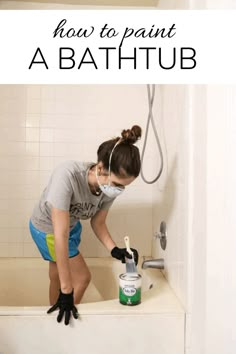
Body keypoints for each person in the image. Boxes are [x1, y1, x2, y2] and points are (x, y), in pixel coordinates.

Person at [29, 125, 142, 325]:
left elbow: (98, 222)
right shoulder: (68, 176)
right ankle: (64, 318)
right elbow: (59, 234)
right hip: (47, 228)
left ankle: (52, 321)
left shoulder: (107, 188)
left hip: (71, 226)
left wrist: (114, 249)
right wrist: (67, 292)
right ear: (100, 168)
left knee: (56, 273)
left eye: (123, 187)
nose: (118, 190)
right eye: (117, 184)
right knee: (81, 278)